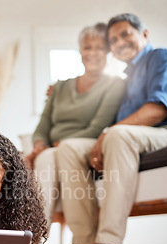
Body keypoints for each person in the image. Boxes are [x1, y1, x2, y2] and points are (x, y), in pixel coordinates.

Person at [49, 13, 167, 244]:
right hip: (135, 138)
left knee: (118, 135)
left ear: (144, 34)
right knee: (70, 148)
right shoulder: (125, 79)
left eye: (125, 34)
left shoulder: (163, 58)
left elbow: (158, 110)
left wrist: (108, 134)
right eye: (114, 39)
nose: (120, 42)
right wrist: (58, 91)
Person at [25, 23, 126, 229]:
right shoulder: (60, 86)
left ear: (108, 52)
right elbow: (43, 125)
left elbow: (98, 126)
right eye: (88, 47)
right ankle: (29, 239)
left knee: (48, 158)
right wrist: (39, 145)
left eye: (100, 47)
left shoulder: (115, 85)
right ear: (80, 51)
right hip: (53, 149)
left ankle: (33, 242)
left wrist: (54, 147)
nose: (93, 53)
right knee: (40, 159)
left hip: (86, 145)